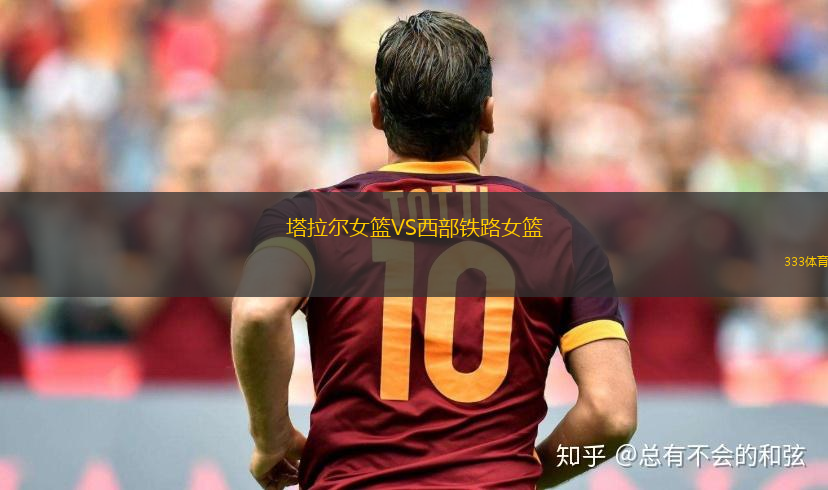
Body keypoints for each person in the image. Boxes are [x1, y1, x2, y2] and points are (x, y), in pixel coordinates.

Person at [232, 11, 636, 490]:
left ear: (377, 112)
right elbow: (611, 415)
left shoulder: (309, 218)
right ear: (488, 115)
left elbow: (257, 312)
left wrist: (272, 437)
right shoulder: (558, 231)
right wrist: (529, 474)